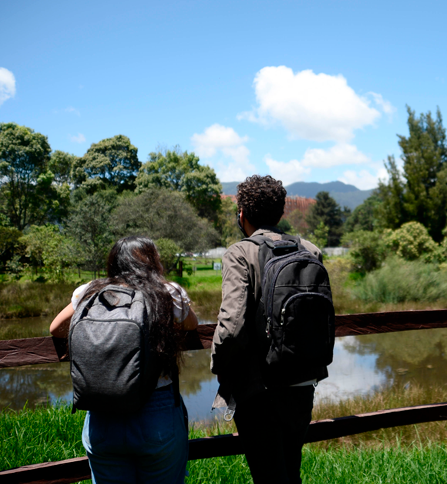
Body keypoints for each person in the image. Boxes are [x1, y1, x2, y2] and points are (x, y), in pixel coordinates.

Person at [50, 236, 198, 484]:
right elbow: (191, 324)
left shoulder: (89, 291)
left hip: (102, 412)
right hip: (156, 409)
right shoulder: (167, 292)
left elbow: (55, 328)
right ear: (152, 262)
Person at [210, 175, 326, 484]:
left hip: (258, 390)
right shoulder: (310, 249)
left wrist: (218, 365)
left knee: (269, 478)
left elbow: (231, 327)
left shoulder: (239, 253)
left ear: (242, 214)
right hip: (303, 383)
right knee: (290, 471)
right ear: (281, 213)